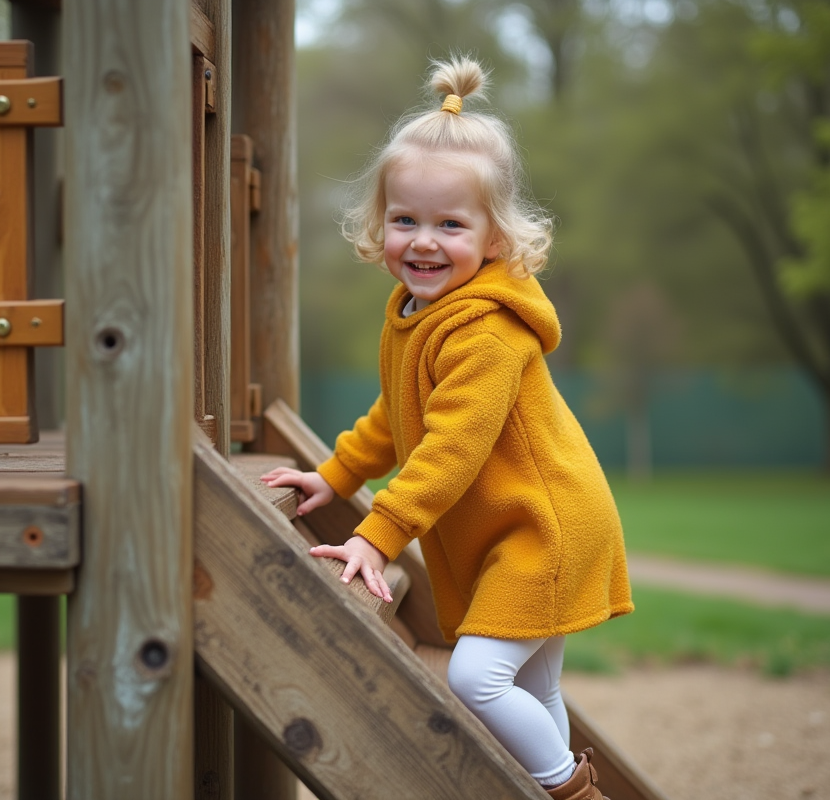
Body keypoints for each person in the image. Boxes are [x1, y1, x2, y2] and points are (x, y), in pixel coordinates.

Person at [261, 55, 633, 800]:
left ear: (495, 239)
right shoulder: (414, 315)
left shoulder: (485, 333)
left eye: (450, 225)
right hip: (518, 524)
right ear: (381, 225)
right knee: (531, 682)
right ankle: (555, 780)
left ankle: (569, 792)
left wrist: (378, 532)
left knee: (475, 678)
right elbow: (395, 419)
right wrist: (334, 477)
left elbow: (451, 447)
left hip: (545, 526)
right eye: (406, 221)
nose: (423, 241)